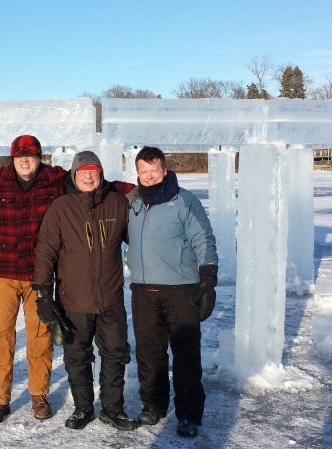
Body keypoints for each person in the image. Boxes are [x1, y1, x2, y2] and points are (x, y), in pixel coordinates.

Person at [32, 151, 138, 431]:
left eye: (93, 171)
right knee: (77, 356)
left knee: (115, 353)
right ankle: (83, 408)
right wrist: (44, 295)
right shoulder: (61, 208)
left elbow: (141, 236)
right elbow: (45, 253)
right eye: (83, 172)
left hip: (111, 298)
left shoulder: (118, 204)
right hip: (74, 299)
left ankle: (113, 408)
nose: (88, 176)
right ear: (74, 176)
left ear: (101, 174)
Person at [125, 146, 218, 438]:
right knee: (149, 352)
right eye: (144, 172)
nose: (149, 176)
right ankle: (153, 405)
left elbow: (203, 237)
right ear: (137, 173)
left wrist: (208, 279)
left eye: (154, 170)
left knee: (185, 353)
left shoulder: (184, 201)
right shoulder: (132, 201)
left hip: (181, 288)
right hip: (143, 289)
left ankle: (188, 412)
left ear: (164, 170)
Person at [0, 135, 65, 424]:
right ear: (12, 158)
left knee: (40, 335)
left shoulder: (55, 180)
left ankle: (39, 394)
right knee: (0, 336)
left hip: (40, 274)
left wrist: (138, 190)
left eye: (31, 155)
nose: (25, 160)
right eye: (19, 155)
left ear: (41, 158)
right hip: (4, 272)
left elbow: (92, 181)